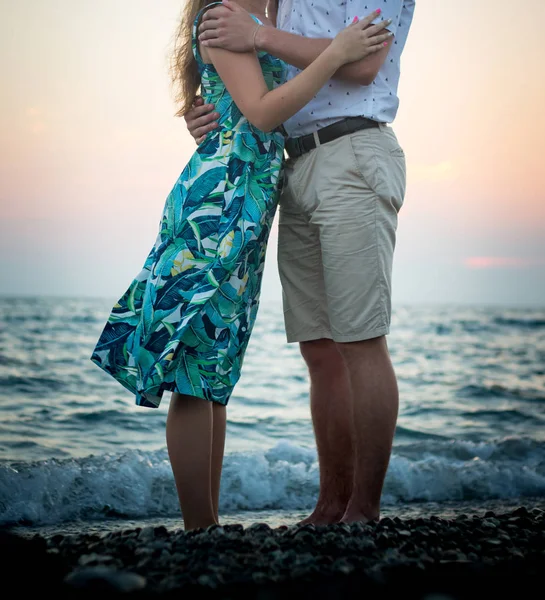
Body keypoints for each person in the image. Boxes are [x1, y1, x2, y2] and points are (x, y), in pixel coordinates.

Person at [90, 0, 393, 531]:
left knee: (213, 370)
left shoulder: (268, 17)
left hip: (249, 208)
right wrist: (336, 52)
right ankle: (198, 527)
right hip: (218, 204)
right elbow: (262, 112)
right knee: (191, 366)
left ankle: (206, 526)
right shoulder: (224, 15)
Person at [185, 0, 415, 525]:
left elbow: (360, 64)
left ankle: (364, 510)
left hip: (354, 151)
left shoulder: (269, 19)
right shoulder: (277, 1)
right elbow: (264, 85)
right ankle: (330, 504)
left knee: (360, 340)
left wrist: (260, 36)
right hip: (294, 163)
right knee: (319, 348)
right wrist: (213, 111)